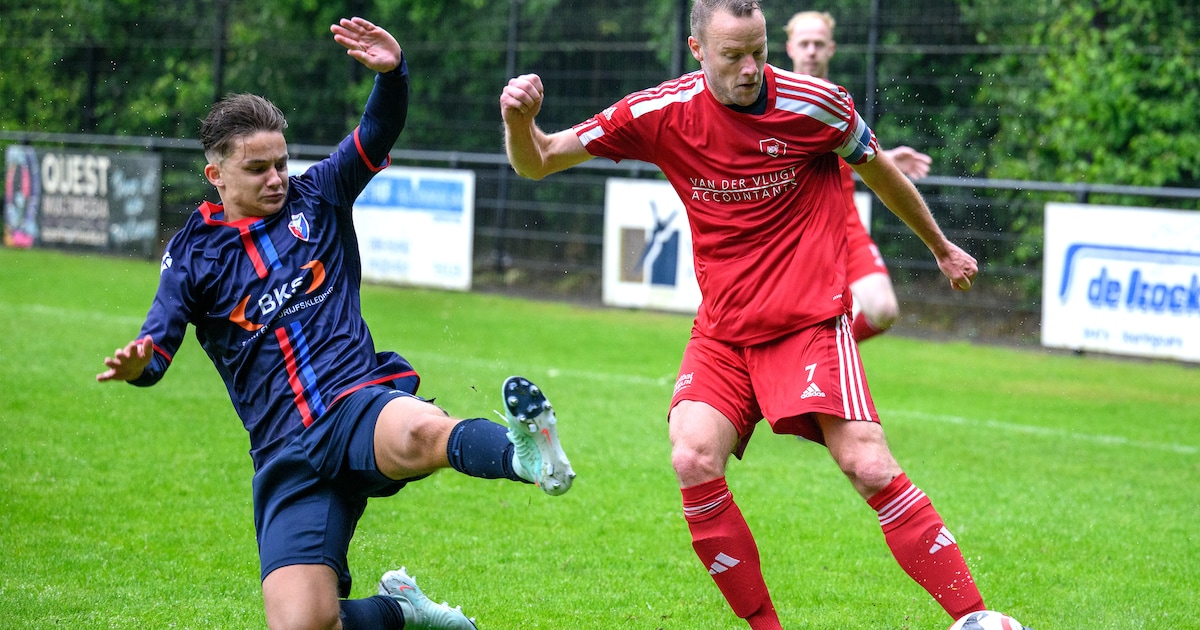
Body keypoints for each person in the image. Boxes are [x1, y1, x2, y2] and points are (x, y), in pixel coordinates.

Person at [499, 1, 984, 628]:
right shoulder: (659, 113)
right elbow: (537, 159)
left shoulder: (817, 104)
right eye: (733, 55)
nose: (752, 68)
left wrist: (941, 247)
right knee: (692, 456)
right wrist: (518, 121)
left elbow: (881, 173)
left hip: (807, 322)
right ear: (698, 52)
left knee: (866, 463)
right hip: (724, 333)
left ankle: (976, 617)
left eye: (758, 51)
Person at [97, 17, 574, 630]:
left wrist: (392, 74)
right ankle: (402, 611)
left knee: (419, 435)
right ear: (215, 176)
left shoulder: (318, 195)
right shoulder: (191, 256)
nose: (276, 178)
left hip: (354, 405)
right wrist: (141, 365)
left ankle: (524, 455)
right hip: (283, 452)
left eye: (281, 162)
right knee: (305, 626)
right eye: (257, 169)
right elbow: (156, 349)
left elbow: (377, 129)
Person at [785, 10, 933, 343]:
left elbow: (850, 155)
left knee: (883, 309)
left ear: (831, 49)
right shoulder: (776, 102)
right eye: (805, 43)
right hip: (797, 233)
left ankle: (821, 351)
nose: (811, 51)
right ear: (790, 48)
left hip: (846, 226)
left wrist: (886, 160)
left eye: (818, 44)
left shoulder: (839, 101)